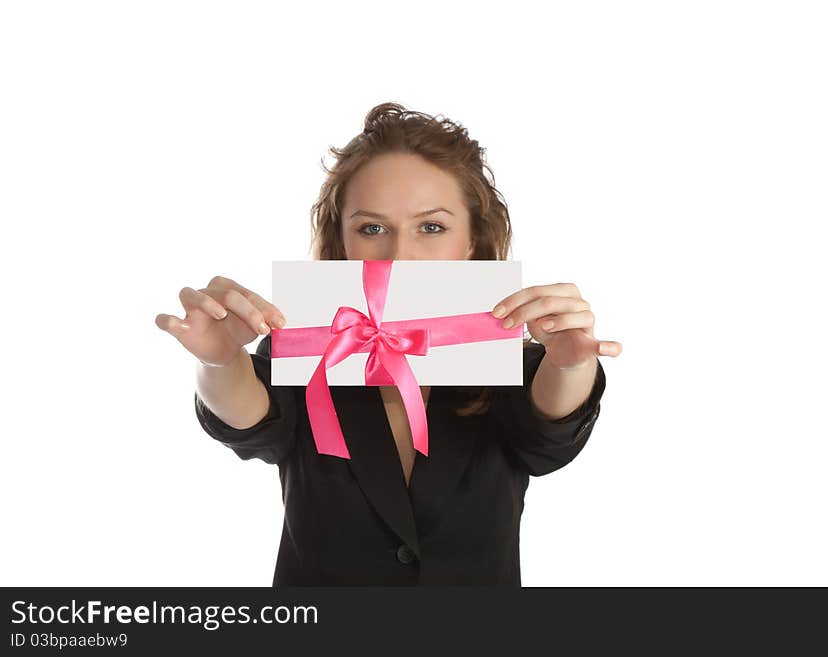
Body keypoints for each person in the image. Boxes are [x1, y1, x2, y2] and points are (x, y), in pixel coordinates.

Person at [155, 102, 622, 585]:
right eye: (371, 228)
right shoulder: (309, 354)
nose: (400, 254)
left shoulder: (511, 366)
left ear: (472, 245)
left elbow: (548, 434)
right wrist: (220, 359)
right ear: (342, 243)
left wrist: (568, 364)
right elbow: (247, 420)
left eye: (432, 227)